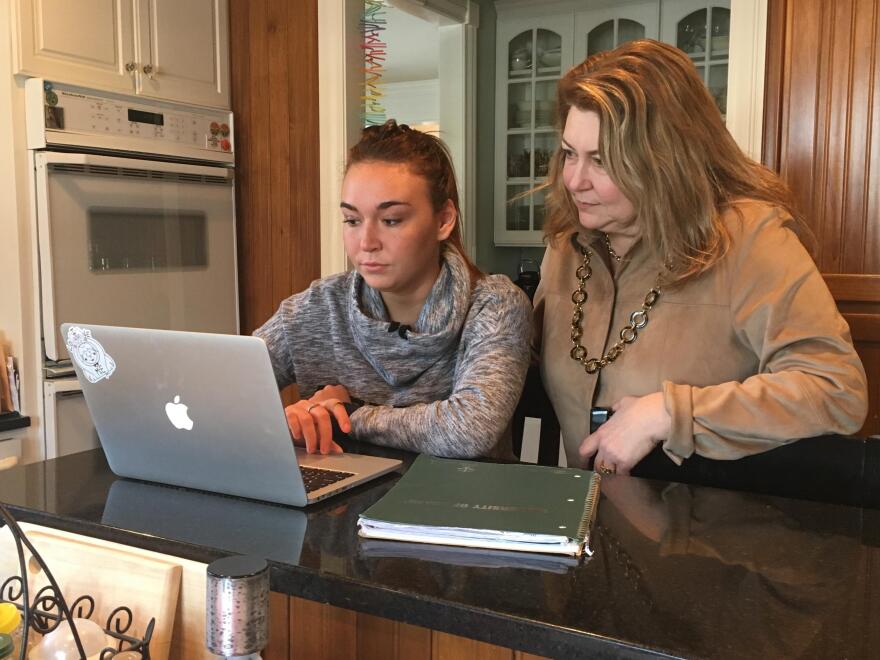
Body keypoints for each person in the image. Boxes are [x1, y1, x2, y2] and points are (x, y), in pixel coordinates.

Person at [532, 39, 868, 474]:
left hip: (705, 529)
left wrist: (673, 414)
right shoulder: (566, 245)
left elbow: (835, 390)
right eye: (569, 154)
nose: (575, 180)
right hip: (591, 524)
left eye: (602, 160)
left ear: (666, 159)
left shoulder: (749, 238)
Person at [255, 120, 531, 458]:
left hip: (457, 506)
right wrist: (288, 422)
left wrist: (348, 414)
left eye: (392, 220)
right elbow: (223, 392)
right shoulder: (316, 308)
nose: (366, 243)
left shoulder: (496, 305)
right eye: (353, 221)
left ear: (444, 219)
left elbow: (470, 430)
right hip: (341, 508)